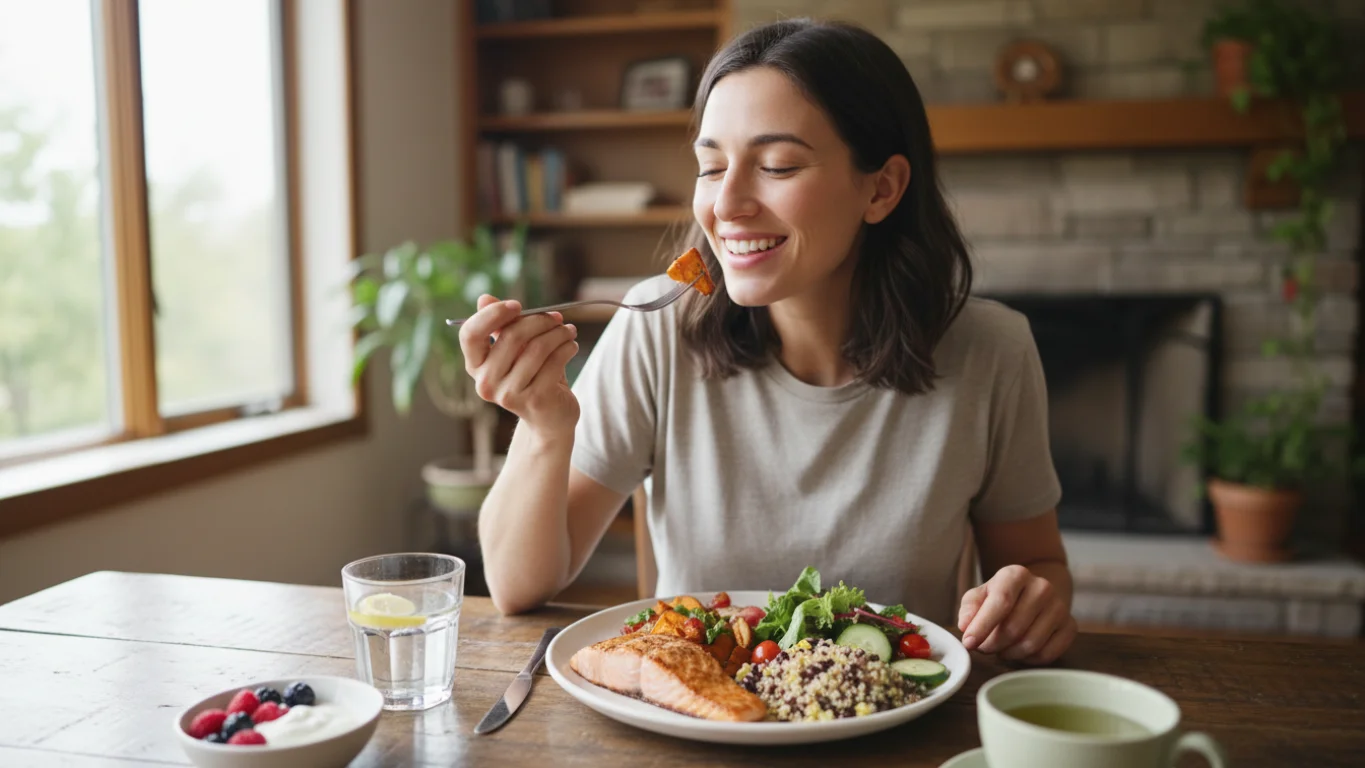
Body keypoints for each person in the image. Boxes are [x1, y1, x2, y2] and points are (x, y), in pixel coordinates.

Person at [459, 18, 1076, 665]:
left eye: (777, 165)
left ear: (882, 187)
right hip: (695, 718)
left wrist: (1030, 602)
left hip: (895, 726)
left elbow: (1035, 566)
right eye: (709, 166)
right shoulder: (654, 326)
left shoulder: (992, 351)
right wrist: (544, 426)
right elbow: (515, 586)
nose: (726, 204)